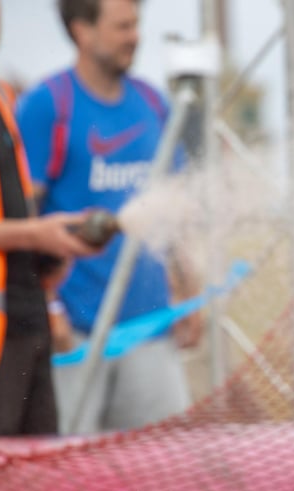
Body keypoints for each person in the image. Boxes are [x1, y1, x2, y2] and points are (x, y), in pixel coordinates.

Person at [14, 0, 201, 435]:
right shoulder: (46, 106)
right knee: (71, 479)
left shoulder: (153, 103)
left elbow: (171, 211)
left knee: (166, 472)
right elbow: (24, 216)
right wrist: (51, 311)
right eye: (122, 26)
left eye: (136, 24)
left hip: (150, 331)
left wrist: (189, 291)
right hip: (75, 337)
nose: (135, 36)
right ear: (83, 30)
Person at [0, 0, 101, 435]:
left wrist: (48, 254)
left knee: (33, 482)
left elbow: (14, 206)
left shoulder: (2, 96)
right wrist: (39, 234)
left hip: (24, 322)